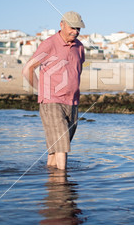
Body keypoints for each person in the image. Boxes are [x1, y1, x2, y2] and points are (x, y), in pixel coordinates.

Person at [22, 11, 85, 170]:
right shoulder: (49, 44)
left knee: (55, 150)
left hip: (72, 102)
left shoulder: (79, 47)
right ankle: (63, 184)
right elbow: (28, 69)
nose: (75, 32)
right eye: (72, 27)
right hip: (52, 102)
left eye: (78, 28)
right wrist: (41, 90)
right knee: (62, 147)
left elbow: (76, 70)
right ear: (61, 25)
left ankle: (53, 183)